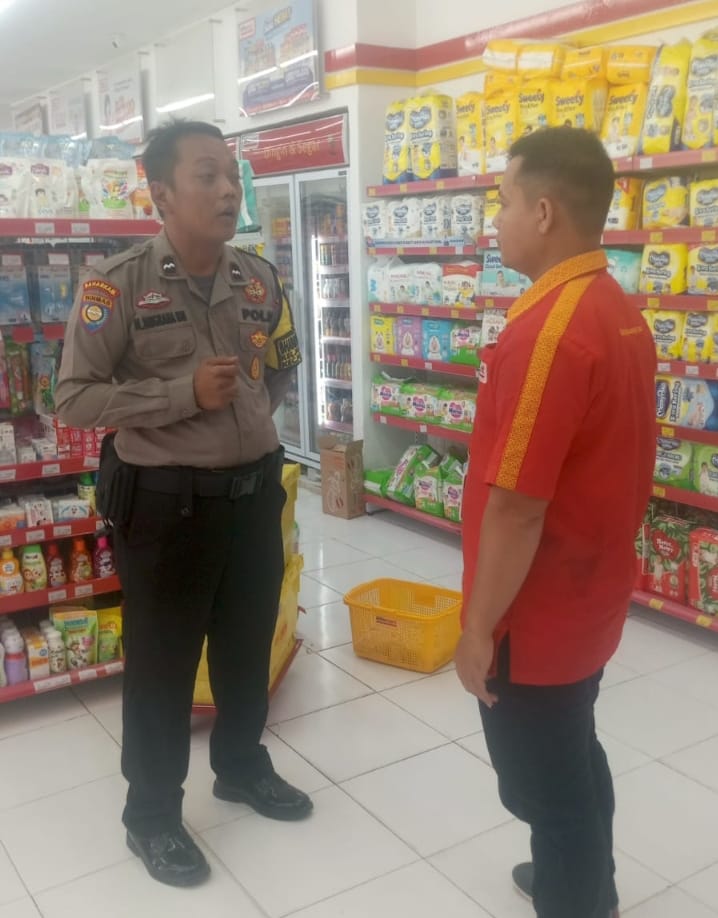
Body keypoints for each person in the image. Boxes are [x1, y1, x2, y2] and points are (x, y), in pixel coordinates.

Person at [55, 120, 312, 889]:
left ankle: (240, 766)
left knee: (246, 647)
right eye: (208, 176)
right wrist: (181, 396)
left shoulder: (259, 279)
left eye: (231, 175)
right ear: (161, 193)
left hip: (253, 497)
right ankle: (152, 815)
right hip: (167, 509)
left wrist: (249, 428)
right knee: (163, 668)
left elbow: (280, 368)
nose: (228, 190)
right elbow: (74, 399)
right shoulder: (117, 285)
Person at [455, 126, 656, 918]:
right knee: (572, 752)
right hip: (590, 595)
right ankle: (584, 881)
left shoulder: (549, 333)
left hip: (535, 618)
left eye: (503, 201)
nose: (495, 219)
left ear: (543, 212)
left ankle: (578, 894)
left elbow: (517, 506)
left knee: (545, 787)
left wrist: (478, 629)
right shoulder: (614, 306)